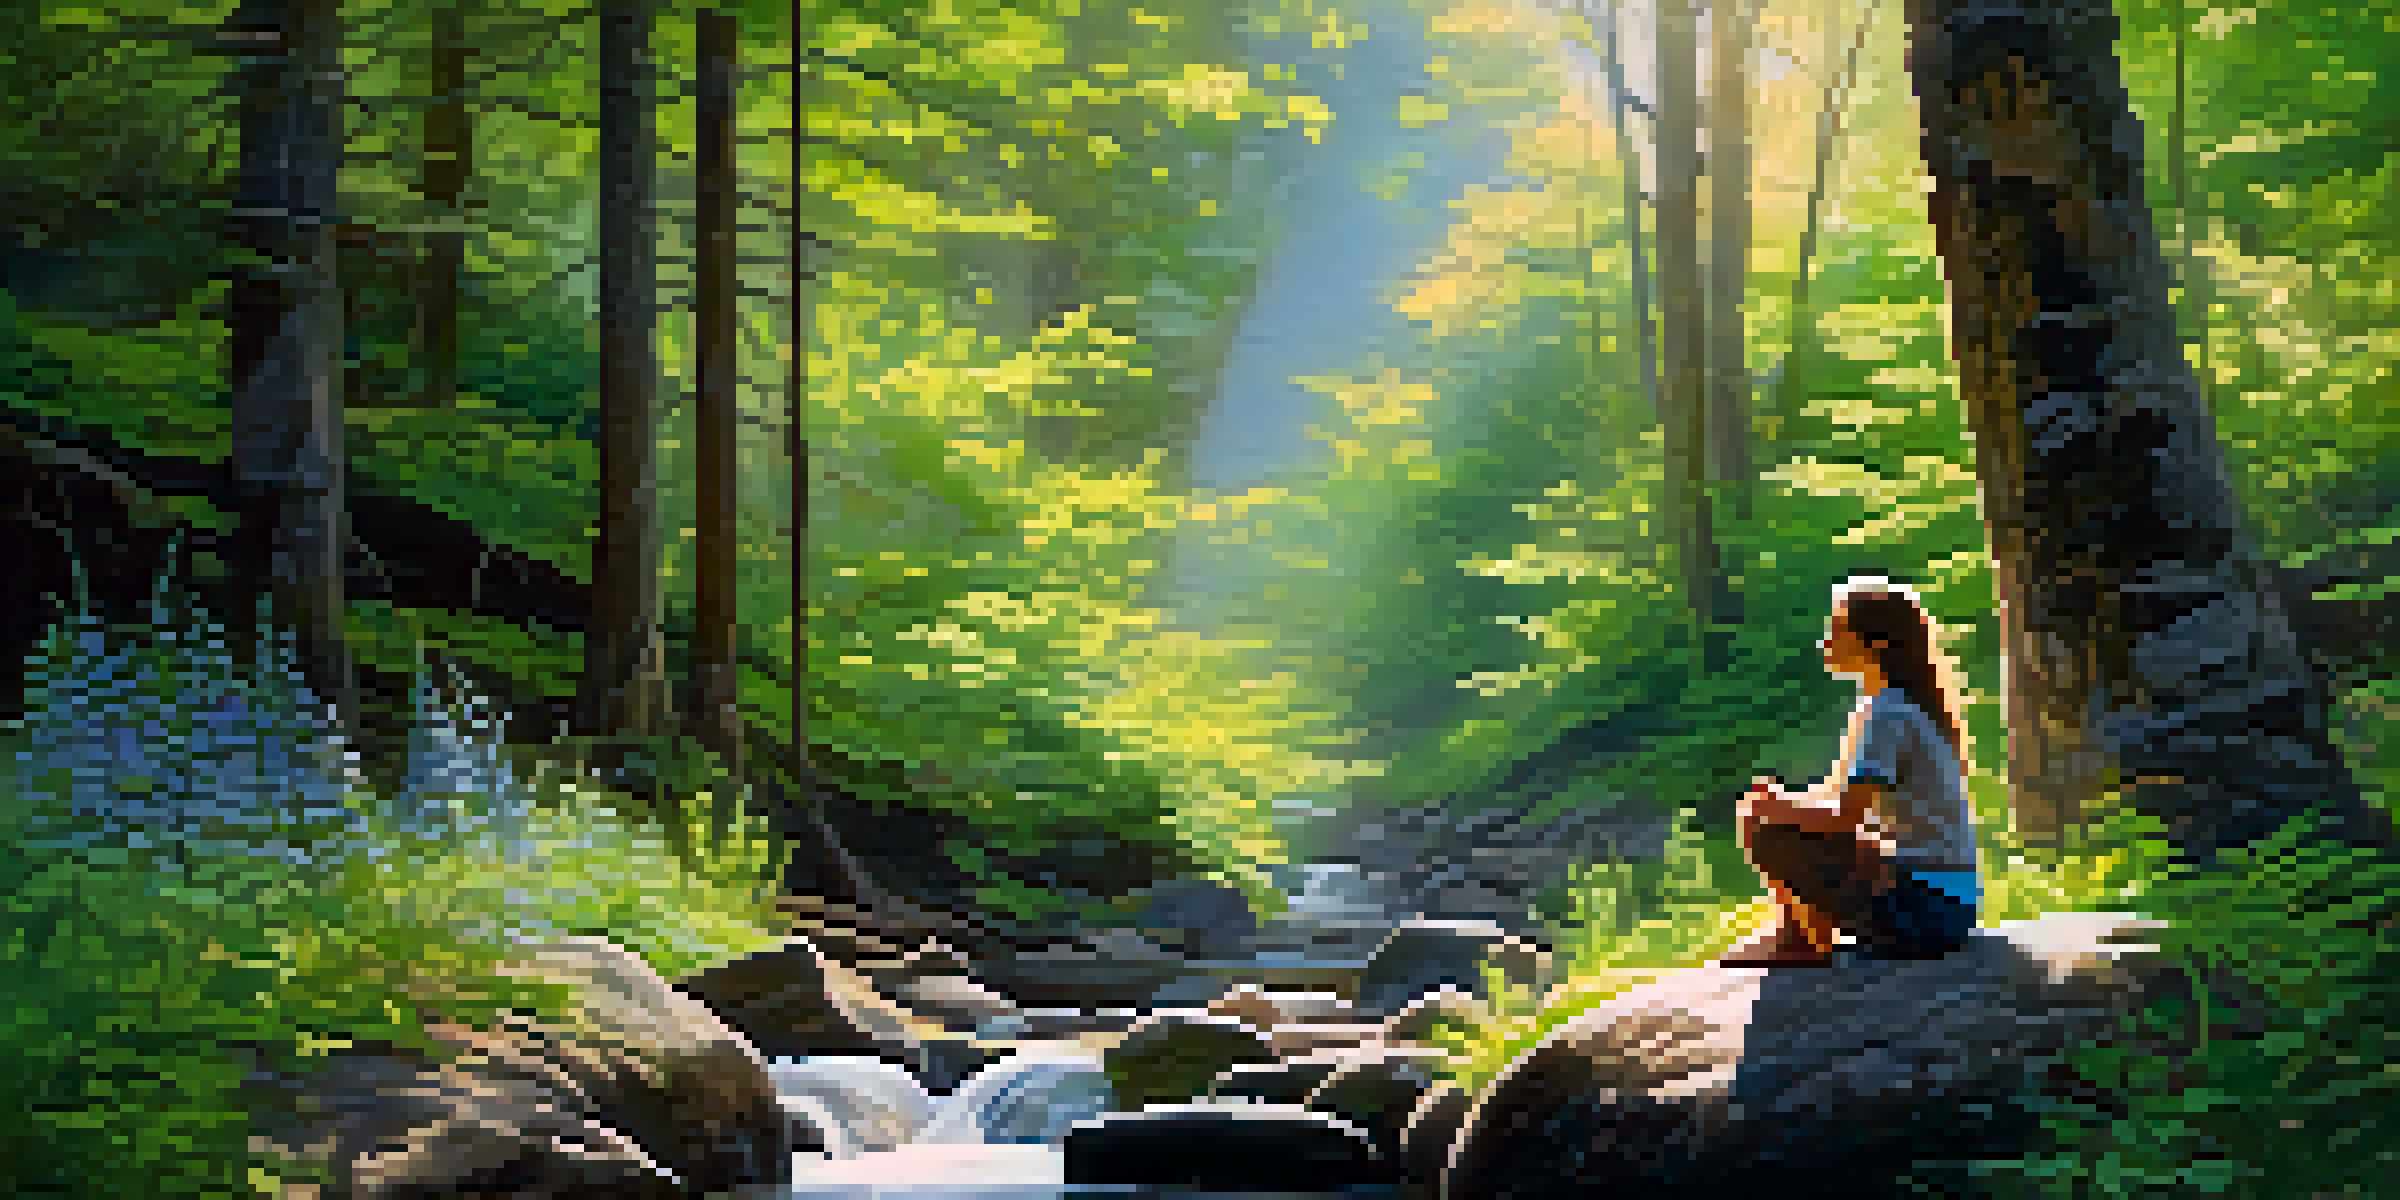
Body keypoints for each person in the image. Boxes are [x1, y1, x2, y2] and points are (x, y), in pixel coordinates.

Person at [1718, 577, 1981, 966]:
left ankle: (1803, 939)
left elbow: (1845, 817)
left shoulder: (1887, 714)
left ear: (1874, 644)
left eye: (1838, 629)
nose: (1827, 641)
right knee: (1774, 814)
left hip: (1927, 912)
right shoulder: (1896, 705)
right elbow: (1844, 798)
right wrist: (1785, 801)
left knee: (1766, 827)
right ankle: (1799, 933)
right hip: (1948, 908)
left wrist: (1775, 810)